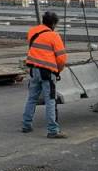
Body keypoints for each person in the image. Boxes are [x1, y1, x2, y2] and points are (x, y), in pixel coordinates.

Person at [21, 10, 68, 139]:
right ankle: (53, 130)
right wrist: (58, 70)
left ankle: (26, 125)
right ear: (53, 23)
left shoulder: (33, 31)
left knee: (32, 98)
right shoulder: (54, 36)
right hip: (47, 72)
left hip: (33, 70)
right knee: (50, 101)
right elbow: (62, 58)